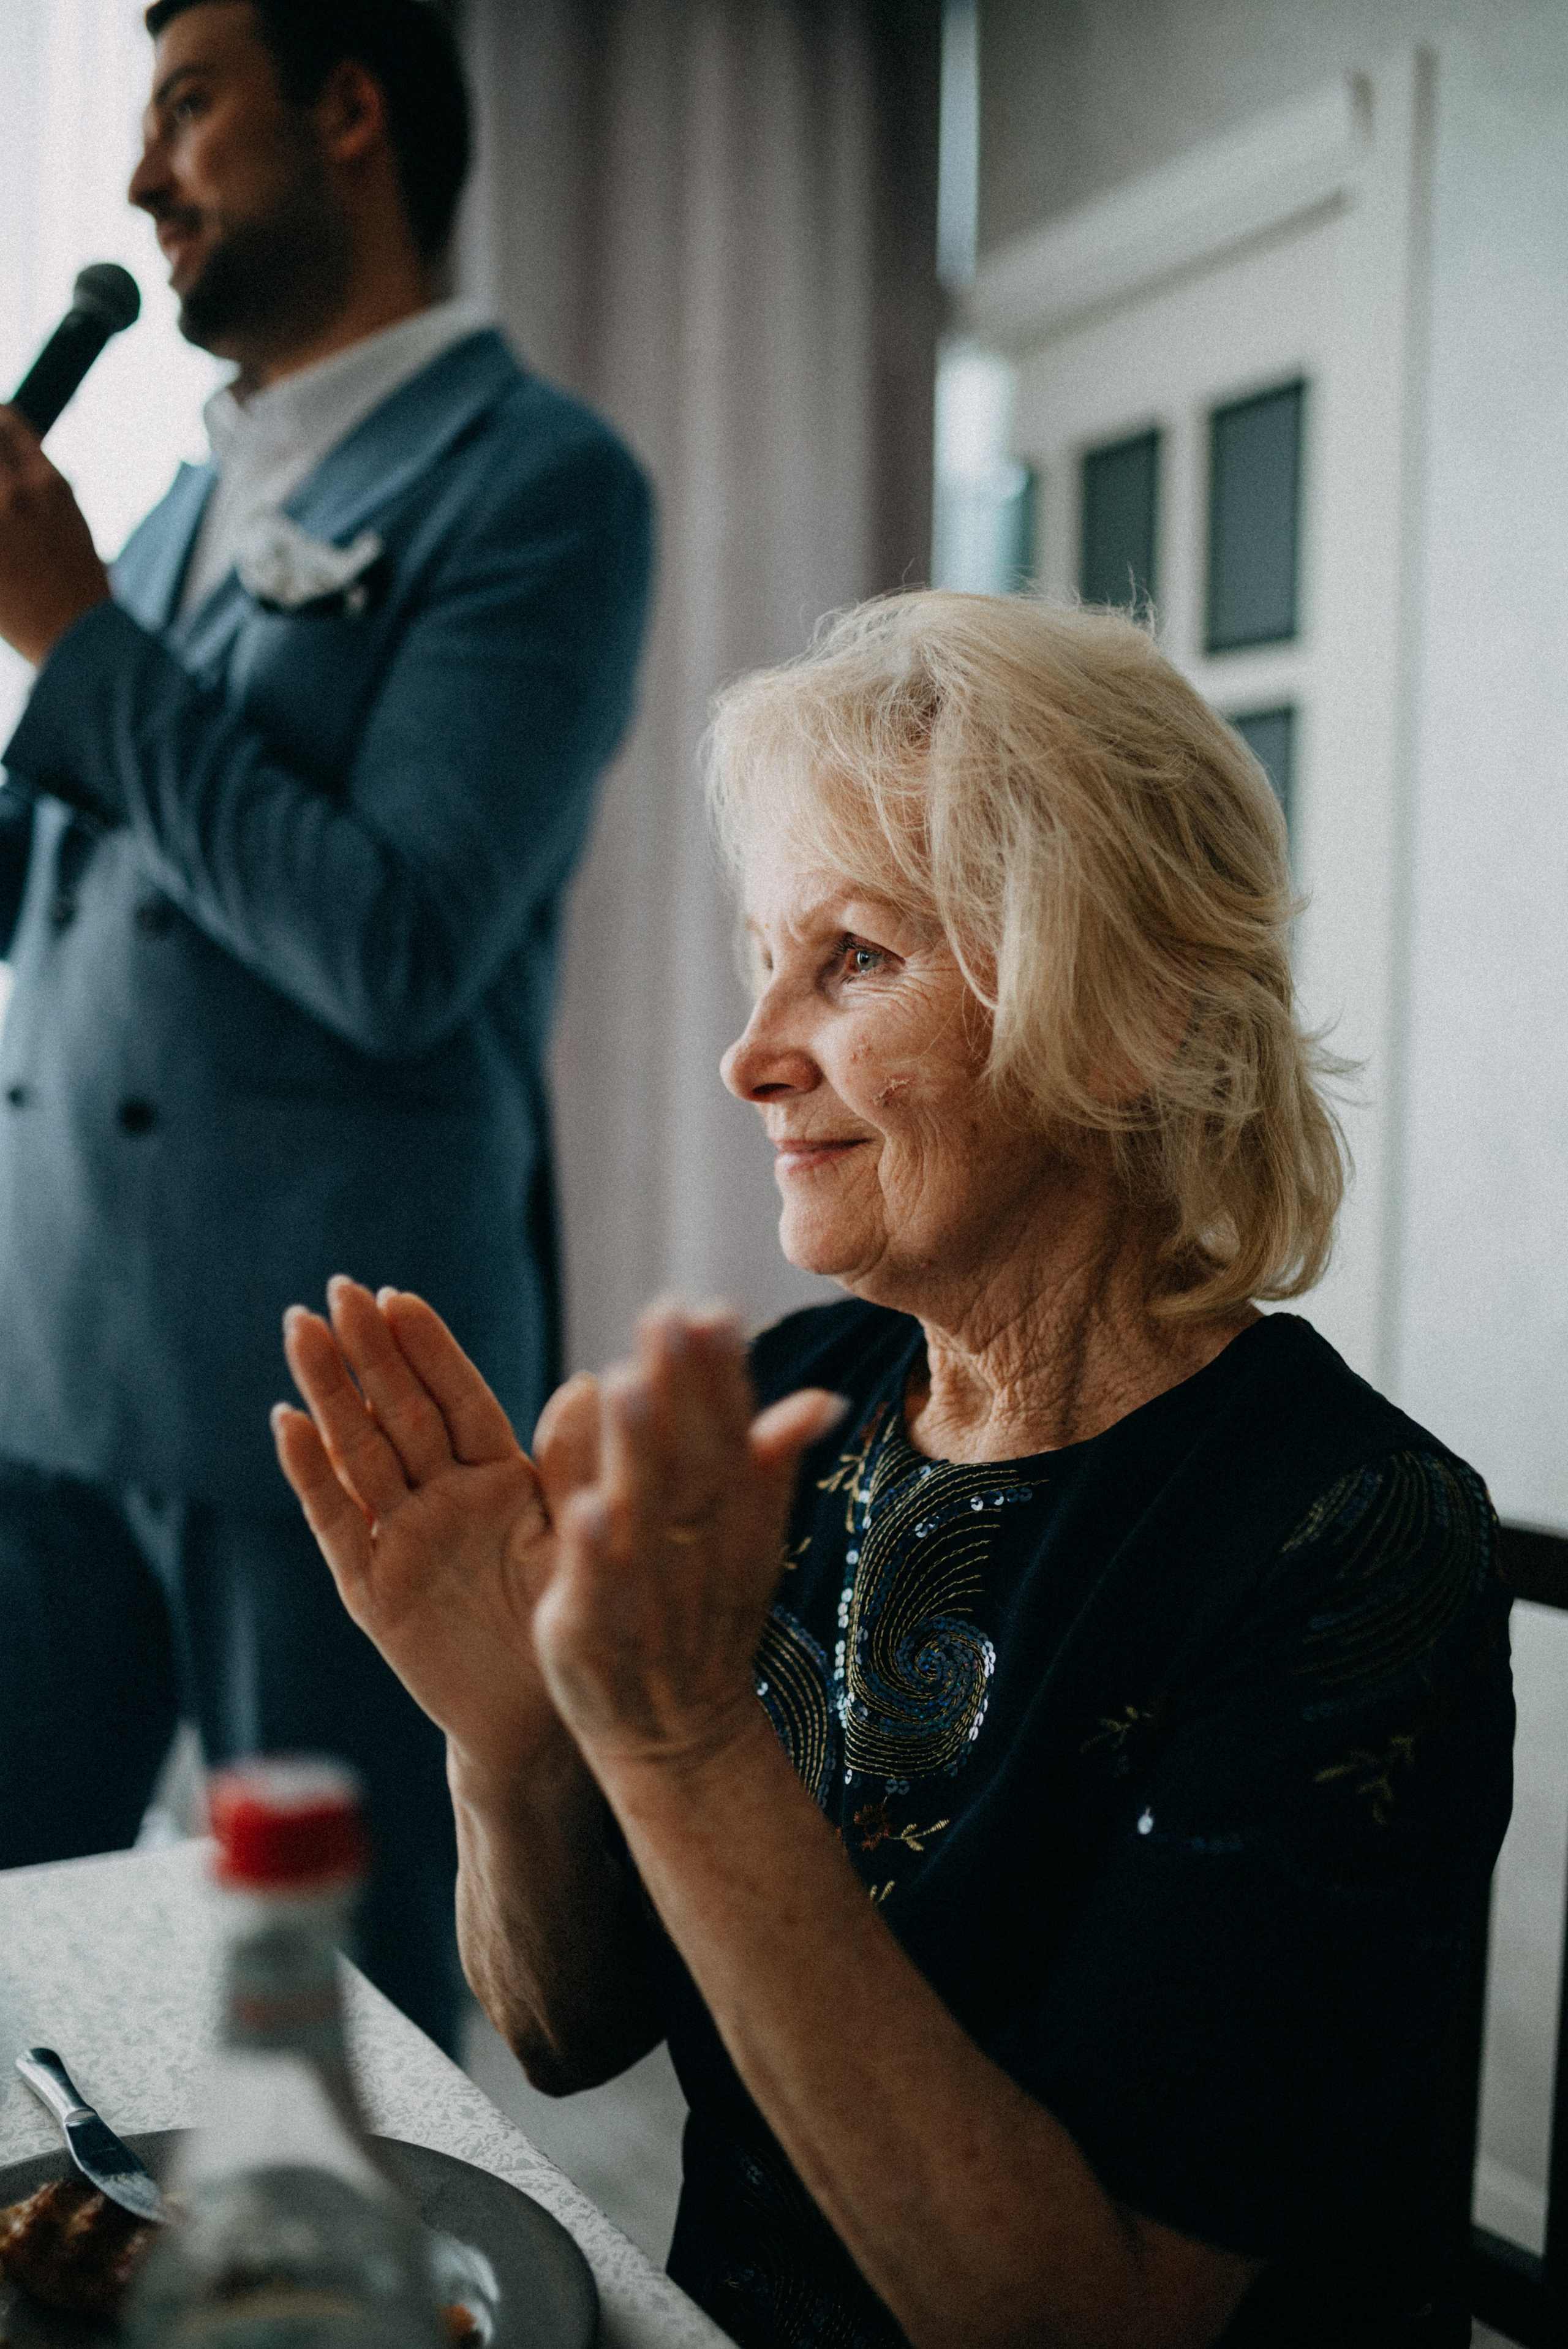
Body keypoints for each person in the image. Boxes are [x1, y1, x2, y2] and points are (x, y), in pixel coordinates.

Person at [274, 592, 1512, 2348]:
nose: (749, 1055)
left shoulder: (1352, 1534)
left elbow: (1087, 2322)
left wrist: (683, 1747)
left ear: (1129, 1010)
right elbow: (563, 2031)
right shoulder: (792, 1402)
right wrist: (516, 1744)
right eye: (765, 959)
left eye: (854, 957)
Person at [0, 0, 651, 2053]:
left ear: (350, 112)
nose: (141, 178)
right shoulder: (171, 509)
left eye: (189, 109)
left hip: (332, 1407)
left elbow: (400, 937)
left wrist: (75, 642)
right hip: (47, 1366)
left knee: (325, 2033)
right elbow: (70, 895)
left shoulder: (542, 483)